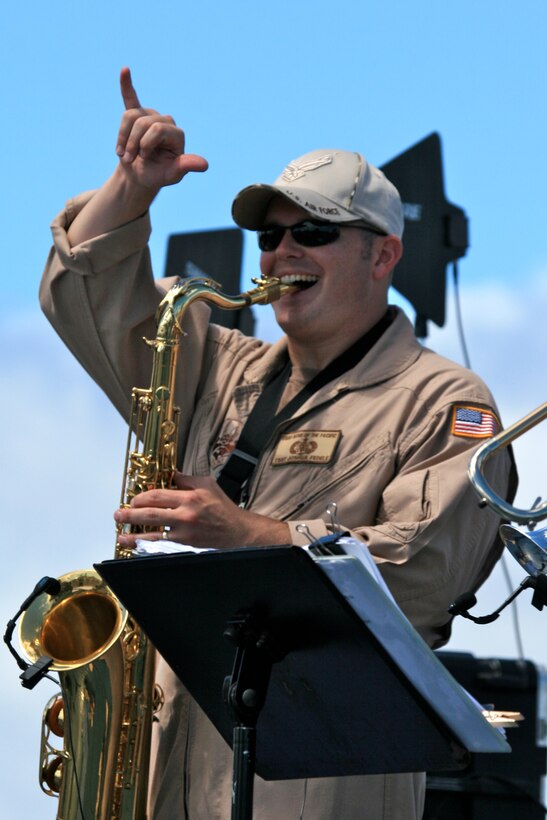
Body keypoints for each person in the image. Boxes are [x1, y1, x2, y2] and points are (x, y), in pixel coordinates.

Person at [40, 68, 516, 820]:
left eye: (313, 233)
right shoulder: (216, 362)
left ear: (384, 256)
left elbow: (421, 575)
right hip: (163, 769)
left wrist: (246, 535)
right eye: (270, 236)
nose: (281, 253)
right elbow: (85, 301)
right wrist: (132, 188)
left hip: (324, 775)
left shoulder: (446, 401)